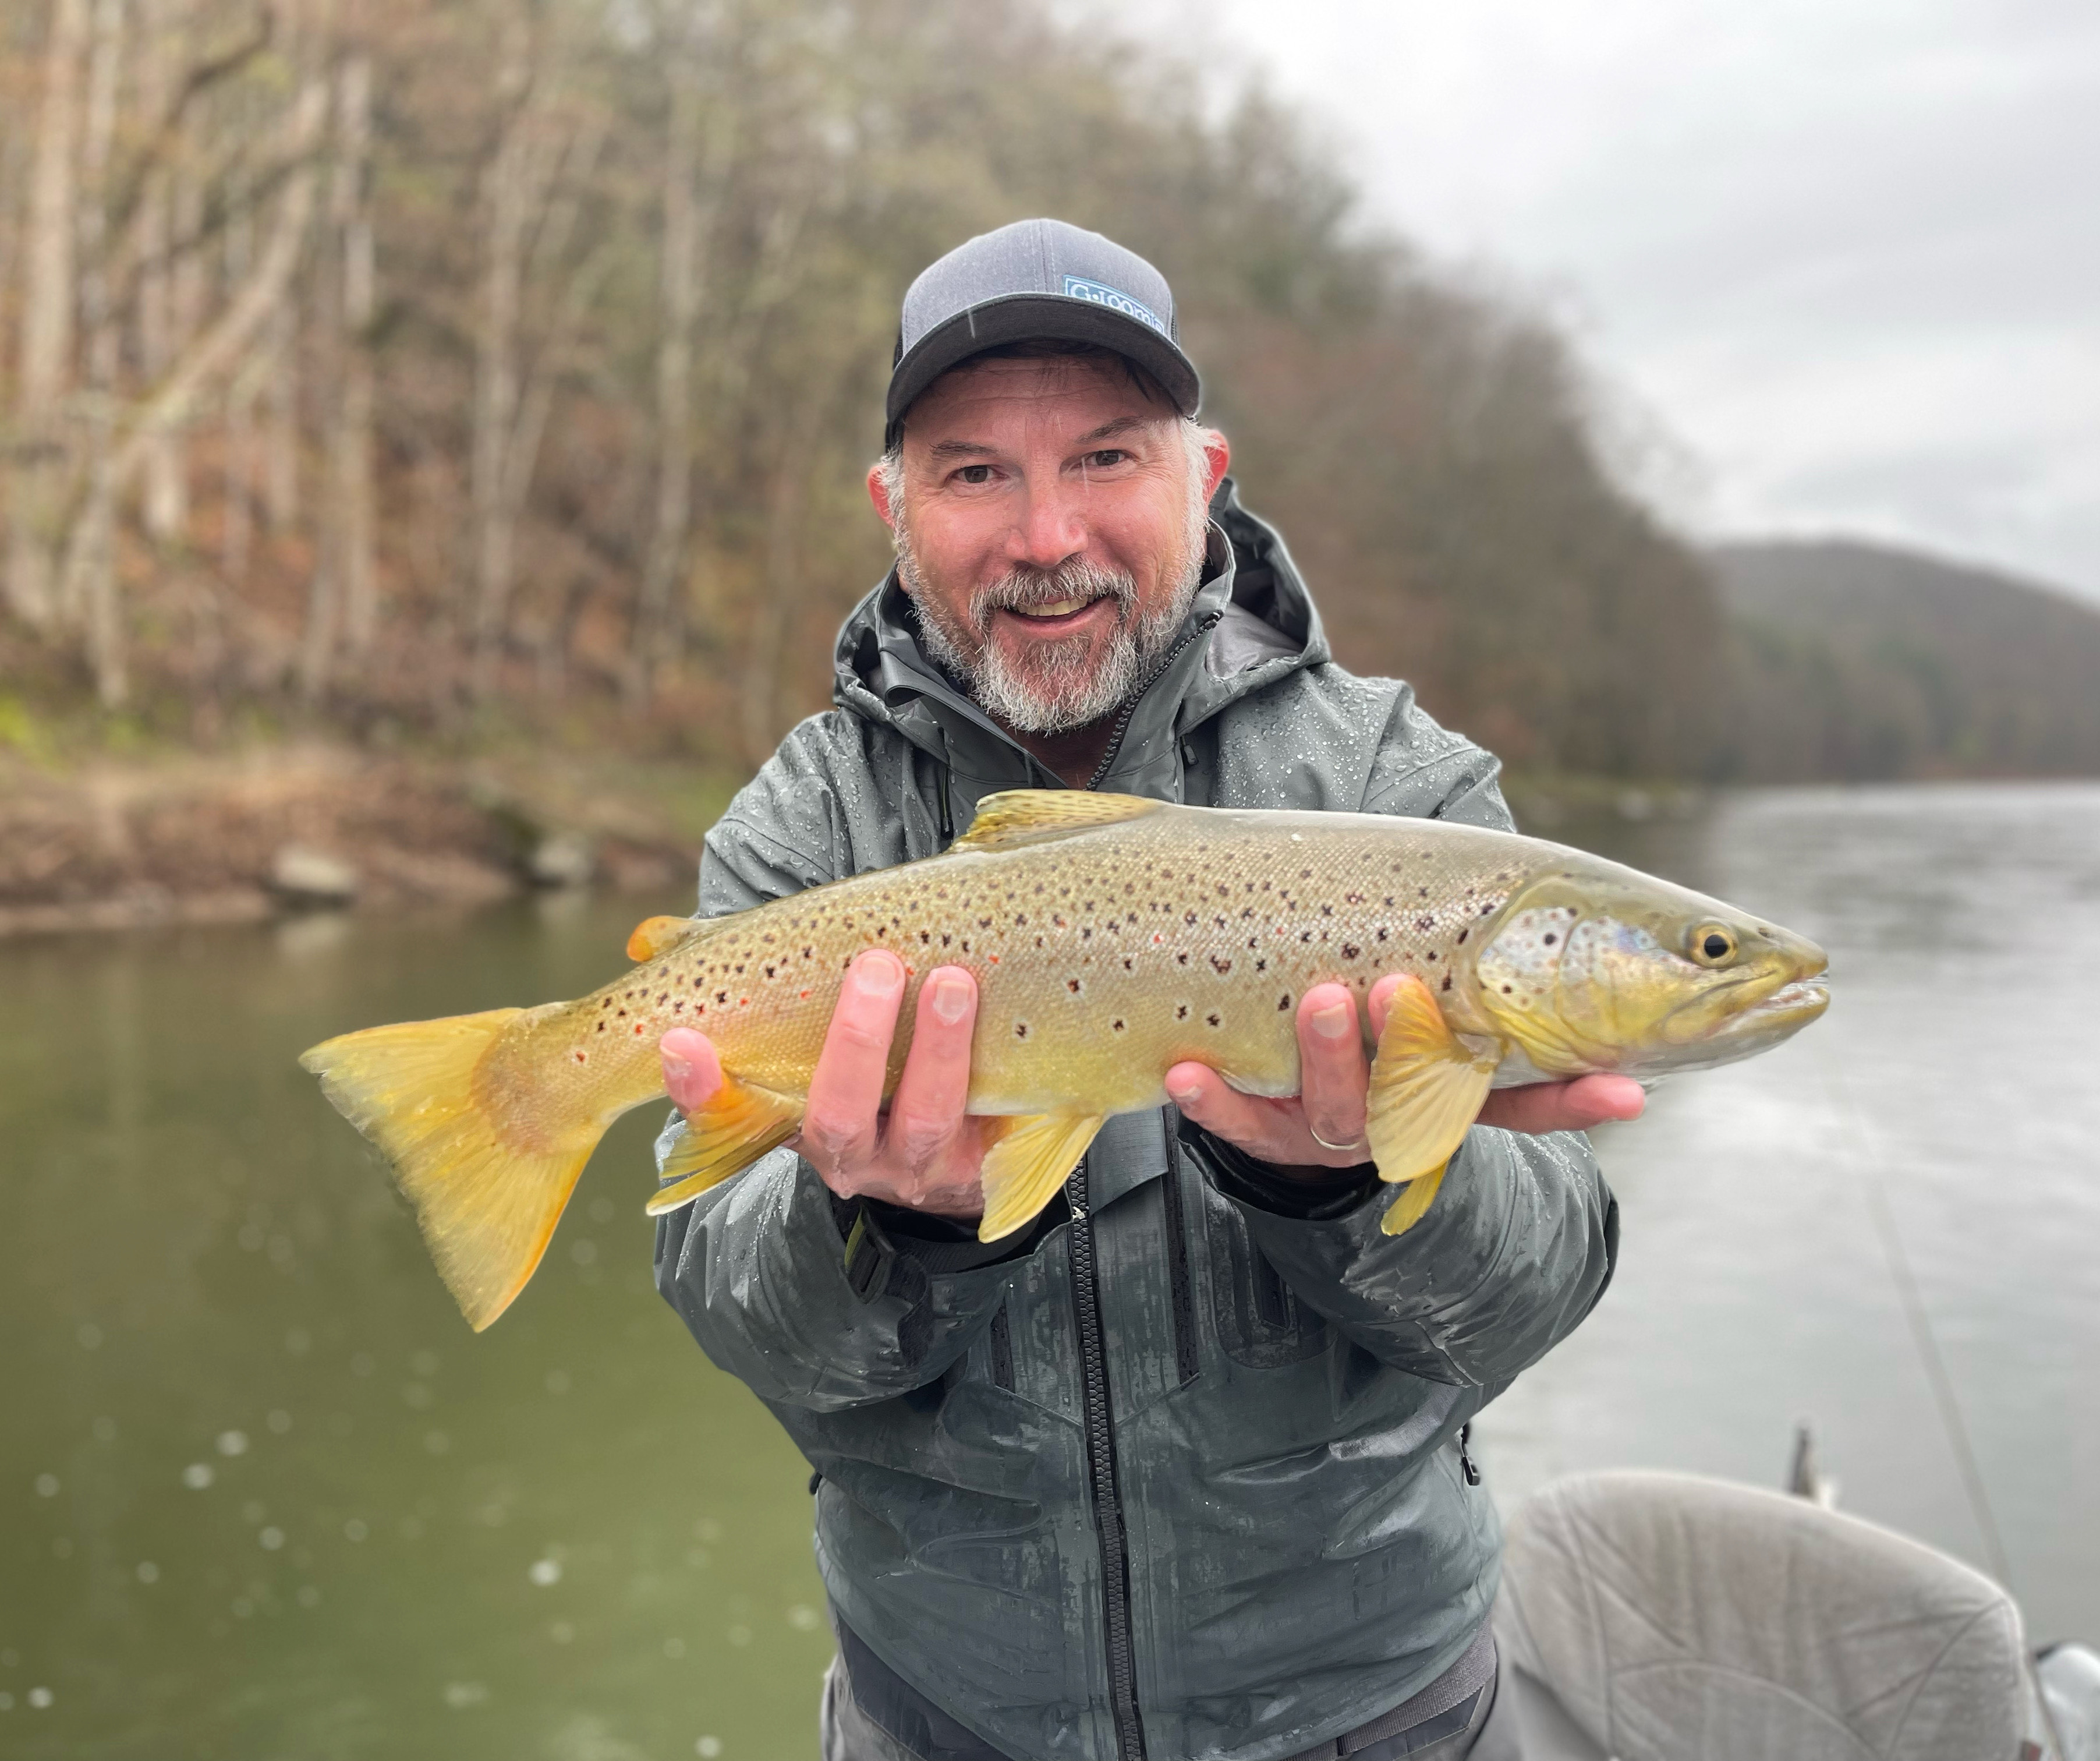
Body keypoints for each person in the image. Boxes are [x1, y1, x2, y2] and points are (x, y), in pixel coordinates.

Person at [652, 218, 1639, 1761]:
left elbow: (1531, 1296)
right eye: (976, 472)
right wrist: (894, 1234)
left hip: (1376, 1707)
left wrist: (1351, 1186)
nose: (1047, 534)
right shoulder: (804, 827)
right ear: (894, 507)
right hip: (948, 1716)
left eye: (1106, 457)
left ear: (1206, 475)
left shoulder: (1397, 785)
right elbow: (747, 1321)